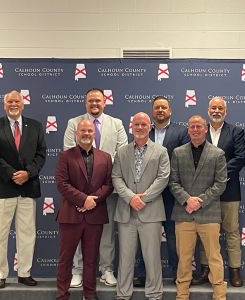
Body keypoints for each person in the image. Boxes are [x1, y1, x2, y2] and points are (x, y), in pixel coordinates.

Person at [63, 87, 128, 288]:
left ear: (105, 102)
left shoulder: (116, 124)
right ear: (85, 103)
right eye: (91, 100)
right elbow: (68, 154)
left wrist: (99, 190)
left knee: (106, 232)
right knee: (78, 232)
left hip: (106, 190)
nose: (94, 104)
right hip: (79, 191)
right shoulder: (73, 123)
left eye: (98, 101)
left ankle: (106, 269)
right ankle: (77, 271)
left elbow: (122, 154)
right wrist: (83, 197)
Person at [0, 90, 46, 289]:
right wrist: (13, 174)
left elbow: (41, 155)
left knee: (27, 234)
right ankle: (0, 274)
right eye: (10, 101)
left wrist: (28, 173)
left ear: (23, 104)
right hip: (3, 188)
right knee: (1, 234)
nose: (13, 104)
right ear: (5, 105)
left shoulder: (35, 126)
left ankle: (24, 273)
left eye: (17, 101)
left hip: (28, 188)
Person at [169, 115, 228, 300]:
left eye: (199, 126)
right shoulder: (178, 152)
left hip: (209, 213)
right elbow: (172, 182)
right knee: (184, 259)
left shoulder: (218, 153)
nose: (195, 129)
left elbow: (220, 184)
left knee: (214, 258)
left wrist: (199, 201)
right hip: (184, 213)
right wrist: (187, 200)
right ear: (188, 129)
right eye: (192, 126)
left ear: (205, 129)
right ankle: (182, 295)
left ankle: (219, 295)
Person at [112, 112, 170, 300]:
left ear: (150, 127)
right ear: (131, 127)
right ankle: (123, 295)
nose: (139, 127)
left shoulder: (161, 151)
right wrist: (130, 198)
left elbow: (163, 178)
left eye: (143, 124)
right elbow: (116, 177)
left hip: (150, 212)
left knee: (152, 258)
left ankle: (154, 294)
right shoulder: (122, 152)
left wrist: (142, 199)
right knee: (125, 259)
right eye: (136, 124)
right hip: (126, 212)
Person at [133, 96, 189, 287]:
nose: (160, 110)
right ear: (152, 111)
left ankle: (177, 273)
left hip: (172, 193)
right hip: (147, 193)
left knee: (173, 236)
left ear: (170, 111)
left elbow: (184, 161)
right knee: (145, 234)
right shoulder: (143, 131)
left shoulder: (181, 132)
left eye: (164, 107)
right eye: (157, 107)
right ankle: (142, 273)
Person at [55, 120, 114, 300]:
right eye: (83, 130)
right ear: (76, 133)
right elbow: (62, 183)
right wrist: (83, 199)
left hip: (94, 216)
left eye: (90, 130)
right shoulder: (65, 156)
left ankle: (90, 294)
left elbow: (109, 185)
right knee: (66, 259)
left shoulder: (105, 157)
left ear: (94, 133)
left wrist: (91, 201)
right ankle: (62, 294)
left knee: (91, 259)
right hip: (70, 215)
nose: (87, 133)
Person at [192, 97, 245, 287]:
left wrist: (218, 175)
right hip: (204, 193)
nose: (216, 111)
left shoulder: (236, 132)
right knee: (206, 233)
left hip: (229, 191)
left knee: (231, 231)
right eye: (213, 107)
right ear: (208, 110)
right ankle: (206, 270)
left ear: (226, 111)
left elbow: (240, 158)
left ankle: (234, 271)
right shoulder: (199, 130)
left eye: (220, 108)